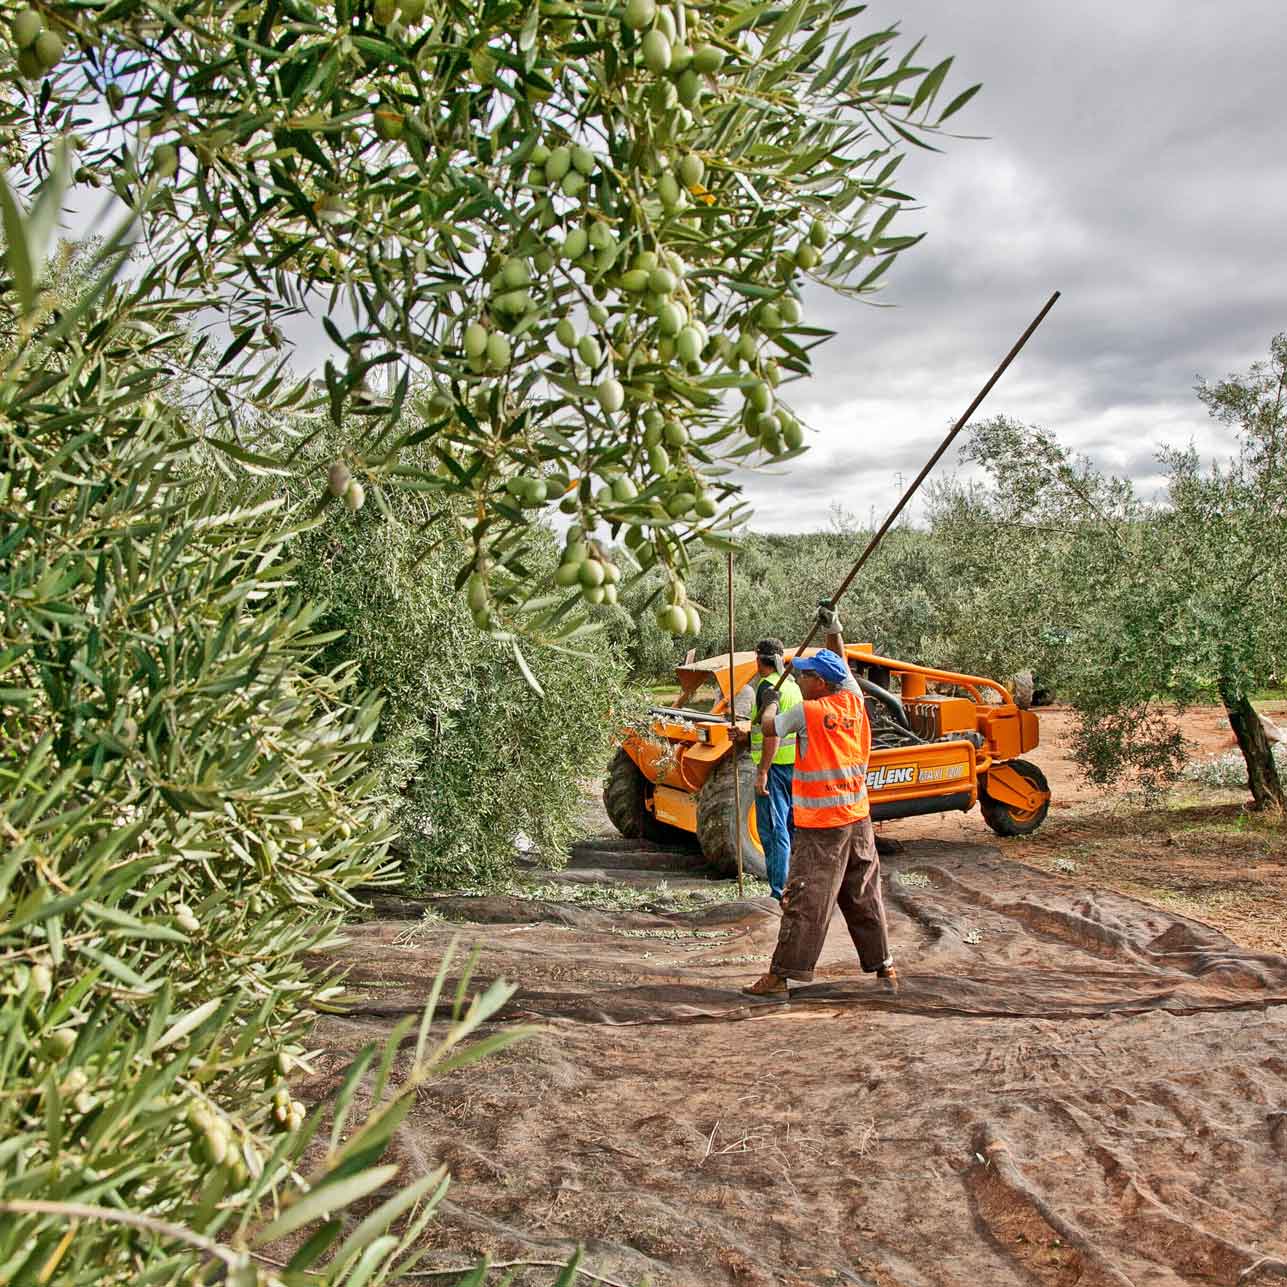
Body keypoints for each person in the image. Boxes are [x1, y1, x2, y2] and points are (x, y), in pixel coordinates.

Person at [742, 602, 896, 997]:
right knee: (863, 893)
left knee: (806, 899)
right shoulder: (853, 702)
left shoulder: (807, 713)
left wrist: (770, 701)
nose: (801, 679)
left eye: (807, 676)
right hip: (857, 819)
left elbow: (767, 726)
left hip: (822, 827)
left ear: (820, 685)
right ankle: (884, 968)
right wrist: (835, 629)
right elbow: (842, 669)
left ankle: (781, 976)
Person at [747, 639, 802, 901]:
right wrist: (744, 736)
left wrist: (762, 771)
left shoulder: (768, 687)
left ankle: (778, 892)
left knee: (773, 829)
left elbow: (772, 734)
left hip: (775, 766)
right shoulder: (792, 685)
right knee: (789, 827)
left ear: (759, 660)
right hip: (794, 765)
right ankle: (793, 883)